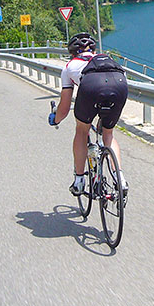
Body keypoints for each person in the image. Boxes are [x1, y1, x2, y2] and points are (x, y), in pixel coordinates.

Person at [50, 32, 128, 197]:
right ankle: (119, 177)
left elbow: (64, 108)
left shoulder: (69, 66)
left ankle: (79, 180)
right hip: (119, 83)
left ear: (72, 53)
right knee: (108, 133)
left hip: (91, 87)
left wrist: (55, 119)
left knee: (81, 130)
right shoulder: (107, 59)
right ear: (93, 50)